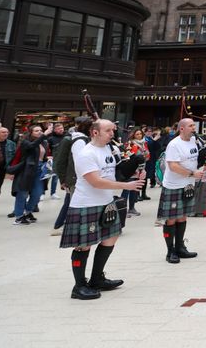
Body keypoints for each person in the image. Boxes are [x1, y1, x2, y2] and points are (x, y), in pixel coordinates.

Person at [60, 119, 145, 300]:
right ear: (95, 132)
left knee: (110, 238)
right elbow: (96, 182)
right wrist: (126, 186)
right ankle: (79, 286)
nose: (112, 134)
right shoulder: (86, 153)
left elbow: (115, 172)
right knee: (84, 245)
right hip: (86, 204)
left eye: (113, 130)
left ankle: (97, 279)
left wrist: (135, 167)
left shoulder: (108, 149)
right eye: (108, 130)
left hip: (106, 201)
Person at [158, 118, 205, 263]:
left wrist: (203, 165)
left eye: (193, 125)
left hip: (187, 185)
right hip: (174, 185)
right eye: (191, 126)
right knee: (171, 219)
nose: (193, 128)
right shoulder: (174, 144)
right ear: (182, 128)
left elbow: (194, 160)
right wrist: (192, 174)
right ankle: (170, 251)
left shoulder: (193, 142)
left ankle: (180, 247)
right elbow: (173, 166)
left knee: (183, 216)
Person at [50, 117, 93, 235]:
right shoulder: (70, 139)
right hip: (73, 178)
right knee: (71, 203)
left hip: (80, 178)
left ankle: (59, 225)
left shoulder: (88, 139)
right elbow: (60, 161)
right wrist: (63, 180)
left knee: (69, 202)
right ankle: (60, 226)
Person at [12, 122, 53, 224]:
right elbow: (31, 146)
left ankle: (28, 212)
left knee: (37, 193)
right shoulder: (25, 142)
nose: (39, 132)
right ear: (30, 132)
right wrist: (44, 134)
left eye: (40, 130)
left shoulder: (44, 142)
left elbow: (42, 155)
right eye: (36, 131)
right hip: (26, 170)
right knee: (23, 194)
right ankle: (19, 216)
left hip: (40, 170)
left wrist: (47, 159)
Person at [0, 126, 15, 216]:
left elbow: (14, 157)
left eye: (7, 132)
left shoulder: (11, 144)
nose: (5, 134)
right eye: (3, 132)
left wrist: (12, 171)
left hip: (2, 170)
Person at [46, 121, 66, 199]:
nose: (61, 130)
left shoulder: (66, 137)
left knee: (55, 178)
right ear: (54, 130)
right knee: (47, 177)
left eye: (62, 128)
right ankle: (42, 193)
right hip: (51, 160)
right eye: (58, 129)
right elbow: (47, 149)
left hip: (60, 161)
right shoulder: (50, 139)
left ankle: (53, 193)